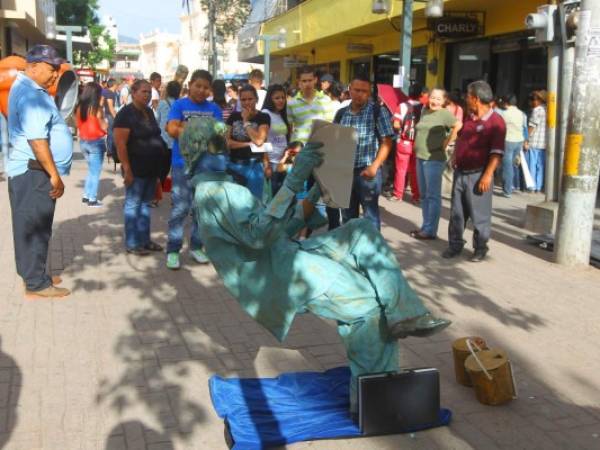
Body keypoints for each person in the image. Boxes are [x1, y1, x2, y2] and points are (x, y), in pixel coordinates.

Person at [178, 116, 451, 414]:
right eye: (217, 145)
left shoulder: (222, 188)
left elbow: (275, 229)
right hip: (283, 272)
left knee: (360, 230)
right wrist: (296, 178)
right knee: (368, 308)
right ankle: (374, 403)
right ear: (198, 150)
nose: (224, 151)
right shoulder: (217, 193)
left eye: (223, 144)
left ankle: (405, 313)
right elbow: (259, 236)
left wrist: (315, 190)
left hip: (284, 254)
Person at [6, 44, 73, 298]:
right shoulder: (32, 95)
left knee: (30, 226)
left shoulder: (27, 88)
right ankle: (37, 285)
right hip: (34, 173)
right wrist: (54, 175)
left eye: (57, 68)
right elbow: (37, 141)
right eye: (51, 68)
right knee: (35, 227)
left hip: (29, 173)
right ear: (32, 67)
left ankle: (35, 276)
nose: (56, 73)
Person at [165, 69, 223, 270]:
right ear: (190, 84)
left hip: (206, 165)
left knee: (202, 208)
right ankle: (173, 250)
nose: (201, 90)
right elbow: (171, 129)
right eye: (198, 85)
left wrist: (188, 129)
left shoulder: (214, 108)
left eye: (206, 87)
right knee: (180, 208)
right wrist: (198, 130)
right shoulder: (180, 105)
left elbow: (219, 136)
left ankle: (197, 246)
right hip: (182, 164)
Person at [443, 80, 506, 262]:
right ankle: (455, 245)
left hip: (479, 175)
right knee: (457, 213)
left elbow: (497, 153)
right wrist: (455, 155)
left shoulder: (496, 122)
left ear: (476, 99)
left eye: (468, 96)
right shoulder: (470, 117)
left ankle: (480, 248)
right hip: (461, 173)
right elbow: (462, 138)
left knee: (480, 216)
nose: (465, 99)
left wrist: (487, 175)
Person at [329, 74, 394, 231]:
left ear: (369, 93)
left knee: (370, 217)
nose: (360, 94)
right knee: (348, 216)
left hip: (367, 172)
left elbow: (387, 142)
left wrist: (374, 167)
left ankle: (371, 252)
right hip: (345, 173)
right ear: (349, 90)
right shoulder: (341, 113)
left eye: (364, 91)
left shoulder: (378, 111)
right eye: (357, 90)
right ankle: (351, 251)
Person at [113, 79, 169, 256]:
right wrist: (127, 169)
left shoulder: (149, 112)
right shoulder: (126, 114)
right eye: (143, 91)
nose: (147, 95)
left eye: (149, 92)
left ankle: (145, 240)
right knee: (133, 205)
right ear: (133, 92)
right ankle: (132, 243)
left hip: (151, 168)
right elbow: (120, 145)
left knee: (145, 205)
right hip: (135, 168)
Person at [410, 88, 462, 240]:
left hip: (434, 159)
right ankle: (426, 227)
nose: (434, 101)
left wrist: (446, 142)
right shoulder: (425, 111)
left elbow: (458, 126)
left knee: (433, 196)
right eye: (432, 97)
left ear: (444, 101)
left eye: (438, 99)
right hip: (420, 157)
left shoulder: (445, 113)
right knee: (424, 195)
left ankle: (430, 230)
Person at [226, 84, 271, 199]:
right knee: (235, 202)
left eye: (250, 99)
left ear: (256, 99)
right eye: (243, 100)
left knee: (255, 201)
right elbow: (226, 142)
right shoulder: (233, 116)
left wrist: (246, 121)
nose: (247, 103)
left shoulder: (263, 117)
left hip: (255, 165)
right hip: (234, 164)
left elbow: (259, 140)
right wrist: (247, 144)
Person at [75, 82, 108, 207]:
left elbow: (77, 124)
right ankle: (92, 199)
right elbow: (104, 126)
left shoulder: (79, 107)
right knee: (95, 172)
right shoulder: (96, 109)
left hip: (83, 141)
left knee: (91, 170)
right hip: (96, 142)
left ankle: (86, 195)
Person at [287, 66, 336, 144]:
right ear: (299, 82)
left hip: (320, 146)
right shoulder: (292, 103)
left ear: (315, 80)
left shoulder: (325, 100)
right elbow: (289, 130)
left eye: (310, 80)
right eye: (304, 81)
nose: (307, 84)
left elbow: (330, 125)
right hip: (299, 149)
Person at [391, 83, 423, 203]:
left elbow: (396, 124)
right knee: (415, 170)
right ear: (420, 95)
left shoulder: (402, 106)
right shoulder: (424, 107)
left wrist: (400, 132)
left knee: (401, 170)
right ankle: (416, 196)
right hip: (418, 144)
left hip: (404, 143)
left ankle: (398, 195)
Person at [154, 80, 181, 206]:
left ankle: (155, 198)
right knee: (176, 171)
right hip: (177, 141)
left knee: (161, 171)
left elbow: (157, 120)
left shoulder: (162, 103)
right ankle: (174, 199)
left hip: (163, 141)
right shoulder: (181, 104)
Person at [262, 84, 291, 195]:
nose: (281, 101)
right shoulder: (265, 113)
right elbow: (262, 140)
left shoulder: (281, 114)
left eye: (283, 97)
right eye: (277, 98)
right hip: (271, 163)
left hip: (283, 162)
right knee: (272, 198)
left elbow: (284, 138)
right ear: (270, 99)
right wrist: (266, 164)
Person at [497, 94, 527, 198]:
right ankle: (513, 185)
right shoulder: (522, 113)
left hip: (508, 140)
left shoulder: (504, 114)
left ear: (506, 103)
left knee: (507, 166)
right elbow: (525, 128)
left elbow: (498, 128)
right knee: (513, 165)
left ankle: (507, 190)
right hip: (519, 141)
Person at [525, 90, 547, 193]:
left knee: (532, 165)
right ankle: (539, 186)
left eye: (533, 100)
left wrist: (526, 138)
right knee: (540, 166)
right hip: (544, 143)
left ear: (538, 100)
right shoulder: (547, 109)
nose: (532, 102)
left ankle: (532, 186)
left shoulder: (537, 110)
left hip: (534, 142)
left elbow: (532, 126)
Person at [101, 78, 118, 158]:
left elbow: (101, 103)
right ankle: (110, 151)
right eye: (116, 85)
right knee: (111, 133)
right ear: (114, 85)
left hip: (106, 114)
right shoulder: (110, 93)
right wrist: (116, 117)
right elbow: (111, 107)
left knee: (110, 133)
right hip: (110, 115)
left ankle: (109, 150)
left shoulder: (105, 92)